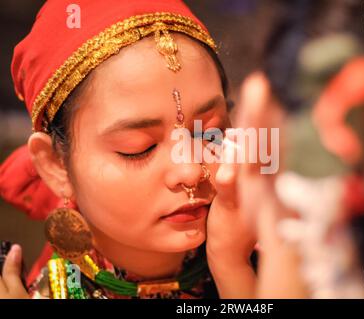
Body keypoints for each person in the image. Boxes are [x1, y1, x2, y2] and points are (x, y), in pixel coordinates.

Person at [0, 0, 256, 299]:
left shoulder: (288, 253)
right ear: (56, 165)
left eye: (209, 134)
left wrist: (231, 266)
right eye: (139, 149)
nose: (189, 171)